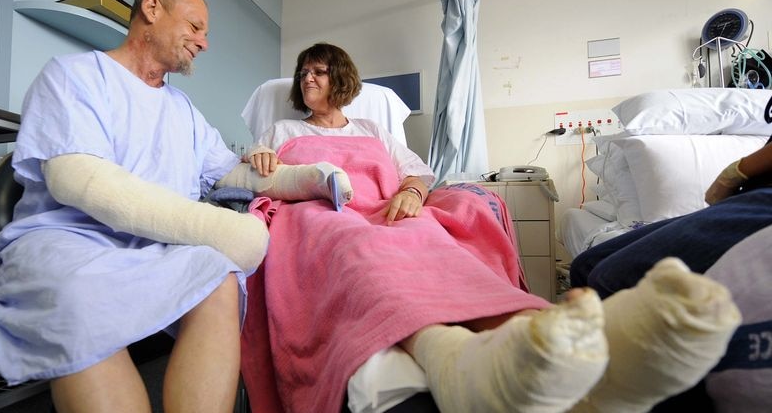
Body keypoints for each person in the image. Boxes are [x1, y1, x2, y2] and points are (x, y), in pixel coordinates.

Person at [237, 42, 744, 413]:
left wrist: (413, 194)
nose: (308, 79)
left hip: (388, 209)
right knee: (360, 253)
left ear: (342, 81)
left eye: (320, 72)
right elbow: (257, 172)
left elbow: (417, 172)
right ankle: (462, 363)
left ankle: (552, 345)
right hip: (325, 218)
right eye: (304, 72)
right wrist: (259, 156)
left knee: (438, 246)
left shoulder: (373, 130)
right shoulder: (283, 130)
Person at [0, 0, 351, 413]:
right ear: (152, 9)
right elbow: (77, 179)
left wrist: (312, 177)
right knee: (78, 297)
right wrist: (218, 227)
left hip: (155, 248)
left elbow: (234, 172)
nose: (205, 42)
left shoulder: (182, 110)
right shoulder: (73, 75)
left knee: (218, 275)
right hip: (69, 242)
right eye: (196, 27)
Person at [570, 138, 772, 298]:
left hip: (764, 200)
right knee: (587, 265)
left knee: (609, 279)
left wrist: (735, 173)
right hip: (747, 195)